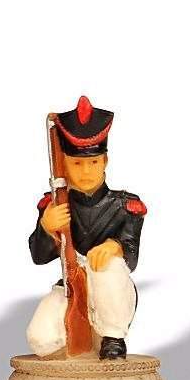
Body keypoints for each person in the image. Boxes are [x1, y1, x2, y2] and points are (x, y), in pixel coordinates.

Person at [27, 96, 144, 360]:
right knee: (41, 338)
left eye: (93, 162)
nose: (86, 171)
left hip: (112, 288)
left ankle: (112, 337)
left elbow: (132, 256)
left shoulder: (126, 206)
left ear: (105, 161)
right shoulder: (53, 204)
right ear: (64, 163)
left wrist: (114, 247)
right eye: (77, 163)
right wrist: (47, 227)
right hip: (72, 285)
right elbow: (38, 256)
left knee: (107, 266)